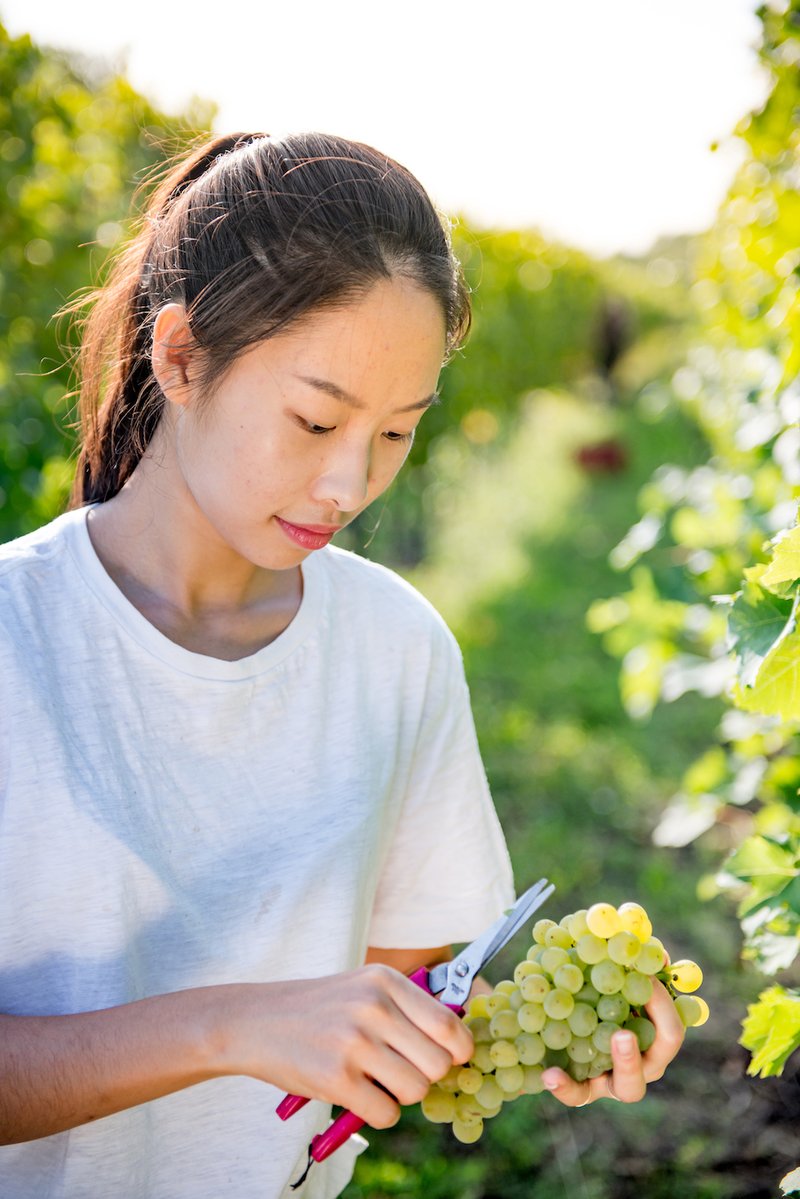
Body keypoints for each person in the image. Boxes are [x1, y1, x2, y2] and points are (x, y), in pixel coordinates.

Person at [0, 131, 684, 1199]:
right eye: (316, 419)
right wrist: (228, 1023)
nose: (346, 482)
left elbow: (397, 1002)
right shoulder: (15, 638)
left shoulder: (393, 648)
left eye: (396, 433)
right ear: (179, 358)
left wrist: (554, 1037)